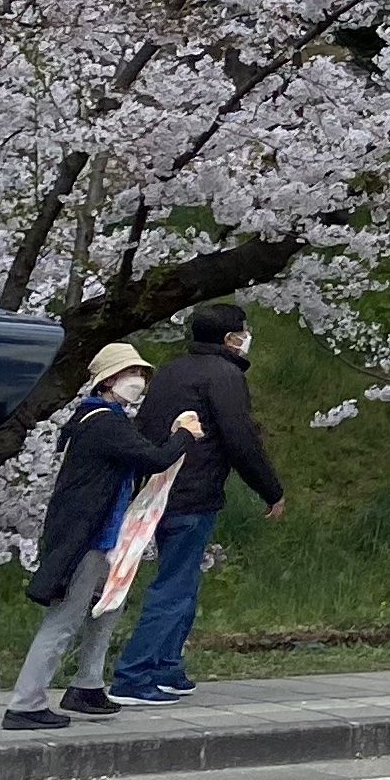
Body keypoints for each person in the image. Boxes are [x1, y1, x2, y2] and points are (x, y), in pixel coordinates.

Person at [3, 344, 202, 732]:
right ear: (108, 380)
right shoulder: (102, 423)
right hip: (88, 537)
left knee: (107, 609)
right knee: (66, 617)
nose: (139, 382)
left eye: (142, 374)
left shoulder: (103, 419)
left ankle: (88, 685)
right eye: (131, 374)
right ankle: (25, 703)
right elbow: (155, 459)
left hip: (106, 534)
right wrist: (184, 435)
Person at [112, 301, 287, 702]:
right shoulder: (224, 376)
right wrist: (270, 490)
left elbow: (148, 428)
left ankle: (167, 667)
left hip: (159, 488)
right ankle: (134, 674)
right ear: (231, 338)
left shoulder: (172, 370)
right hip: (194, 491)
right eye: (243, 332)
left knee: (183, 583)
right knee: (174, 587)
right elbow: (240, 438)